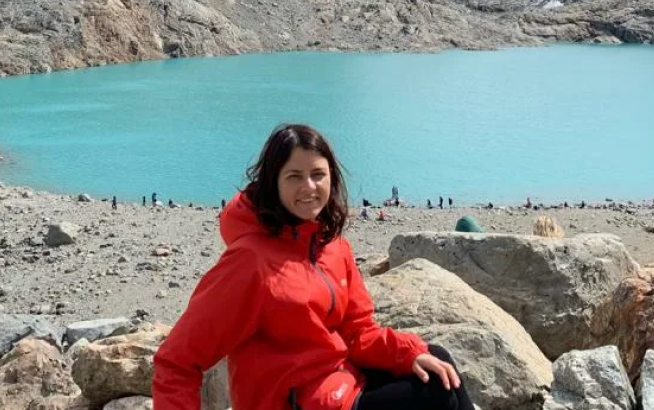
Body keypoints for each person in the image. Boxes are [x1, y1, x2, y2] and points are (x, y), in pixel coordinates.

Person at [154, 124, 475, 410]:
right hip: (293, 400)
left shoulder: (331, 246)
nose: (308, 187)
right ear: (273, 183)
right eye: (294, 176)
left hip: (338, 386)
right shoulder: (250, 262)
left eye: (317, 174)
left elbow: (357, 331)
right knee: (437, 393)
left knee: (436, 361)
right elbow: (178, 360)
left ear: (331, 177)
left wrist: (408, 353)